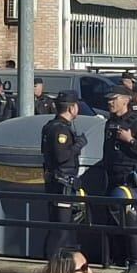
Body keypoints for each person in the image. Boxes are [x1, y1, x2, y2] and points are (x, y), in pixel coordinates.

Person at [99, 89, 137, 265]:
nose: (109, 103)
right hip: (112, 181)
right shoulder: (110, 123)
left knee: (132, 228)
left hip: (129, 182)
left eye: (113, 99)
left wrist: (130, 140)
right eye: (108, 100)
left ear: (125, 101)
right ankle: (115, 262)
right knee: (112, 227)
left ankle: (136, 265)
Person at [40, 93, 84, 251]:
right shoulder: (61, 129)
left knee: (60, 227)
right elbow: (61, 156)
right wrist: (78, 145)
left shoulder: (50, 126)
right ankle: (53, 261)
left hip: (56, 181)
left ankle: (57, 260)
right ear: (72, 108)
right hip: (62, 183)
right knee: (61, 229)